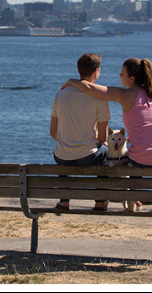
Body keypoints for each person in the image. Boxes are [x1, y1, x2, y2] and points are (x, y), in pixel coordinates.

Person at [62, 57, 152, 211]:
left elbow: (89, 88)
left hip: (142, 158)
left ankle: (132, 198)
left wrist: (71, 81)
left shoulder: (125, 94)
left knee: (130, 159)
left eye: (122, 73)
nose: (119, 75)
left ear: (131, 79)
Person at [50, 53, 111, 211]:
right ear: (96, 71)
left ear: (79, 70)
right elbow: (103, 137)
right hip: (88, 157)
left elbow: (53, 132)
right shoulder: (100, 98)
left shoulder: (60, 94)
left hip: (62, 156)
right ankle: (100, 202)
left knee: (63, 151)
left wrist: (69, 143)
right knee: (107, 152)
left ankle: (64, 201)